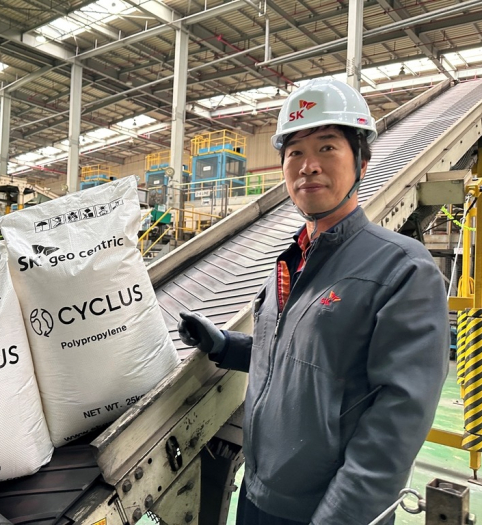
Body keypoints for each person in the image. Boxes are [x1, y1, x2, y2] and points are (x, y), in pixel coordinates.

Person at [178, 78, 449, 525]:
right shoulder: (291, 258)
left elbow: (396, 425)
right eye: (295, 153)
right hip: (258, 492)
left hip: (323, 511)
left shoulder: (402, 268)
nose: (308, 166)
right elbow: (297, 357)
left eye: (327, 148)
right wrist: (225, 345)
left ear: (362, 161)